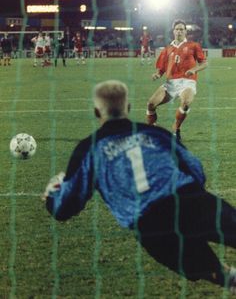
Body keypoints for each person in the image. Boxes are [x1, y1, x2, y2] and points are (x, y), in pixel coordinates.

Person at [43, 80, 236, 294]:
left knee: (214, 272)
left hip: (150, 224)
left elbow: (66, 206)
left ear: (96, 111)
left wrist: (52, 196)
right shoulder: (157, 134)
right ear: (128, 108)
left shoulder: (88, 149)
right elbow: (195, 169)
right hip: (190, 201)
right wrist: (196, 193)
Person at [146, 19, 207, 141]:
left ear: (185, 32)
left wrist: (194, 69)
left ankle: (176, 128)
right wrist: (157, 75)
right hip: (170, 84)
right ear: (173, 31)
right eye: (177, 29)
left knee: (185, 103)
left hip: (187, 82)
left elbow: (204, 63)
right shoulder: (167, 49)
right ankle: (153, 129)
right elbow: (161, 68)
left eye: (181, 29)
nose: (179, 31)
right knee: (151, 104)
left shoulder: (193, 46)